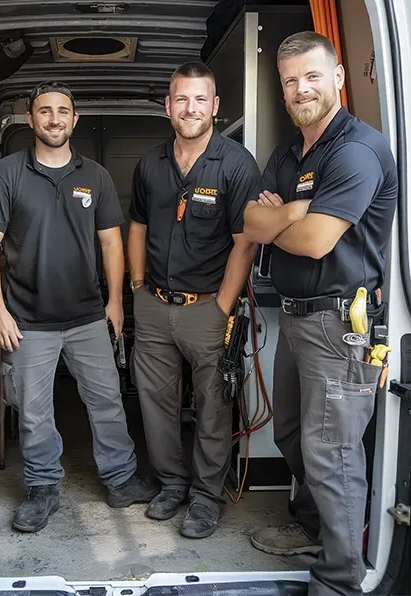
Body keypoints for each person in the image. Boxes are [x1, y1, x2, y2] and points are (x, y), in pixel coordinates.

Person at [243, 31, 397, 596]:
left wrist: (285, 215)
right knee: (290, 433)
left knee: (331, 455)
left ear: (337, 77)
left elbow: (313, 242)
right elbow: (251, 223)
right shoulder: (289, 152)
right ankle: (316, 531)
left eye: (311, 76)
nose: (300, 88)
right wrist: (293, 212)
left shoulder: (355, 150)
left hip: (342, 325)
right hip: (297, 319)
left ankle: (337, 579)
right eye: (289, 80)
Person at [0, 80, 159, 534]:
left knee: (108, 401)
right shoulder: (8, 174)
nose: (54, 118)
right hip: (26, 320)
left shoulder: (94, 175)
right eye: (44, 111)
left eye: (62, 111)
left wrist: (115, 302)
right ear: (31, 119)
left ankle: (120, 479)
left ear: (74, 120)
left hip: (86, 316)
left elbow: (111, 242)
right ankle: (42, 488)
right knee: (34, 411)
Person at [127, 61, 260, 538]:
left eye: (200, 99)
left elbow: (245, 240)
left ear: (215, 106)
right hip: (154, 305)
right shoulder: (150, 164)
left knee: (212, 404)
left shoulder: (237, 164)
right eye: (181, 99)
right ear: (168, 106)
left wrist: (223, 305)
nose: (190, 108)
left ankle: (206, 497)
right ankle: (171, 485)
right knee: (155, 402)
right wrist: (137, 286)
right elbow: (137, 226)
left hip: (208, 307)